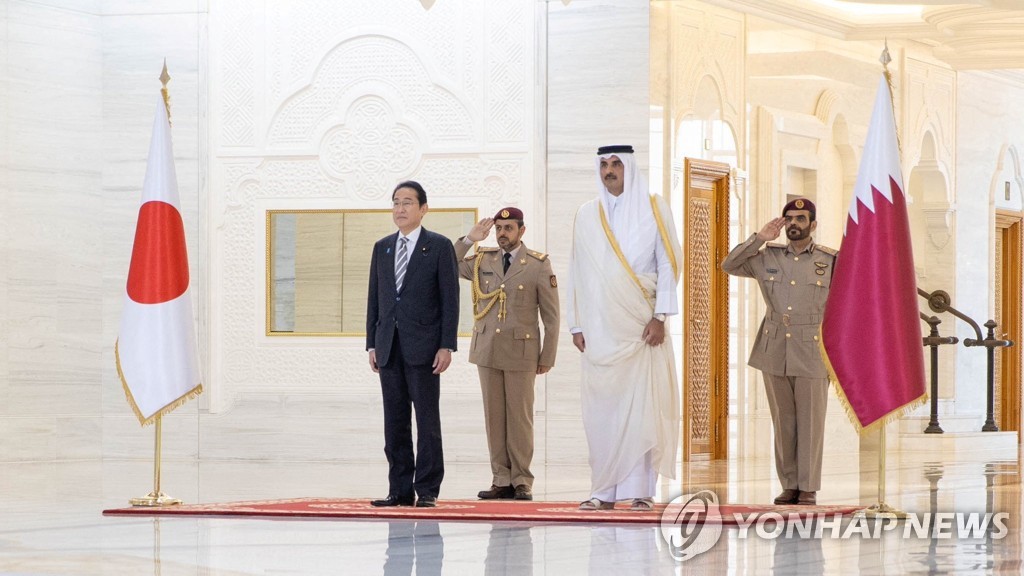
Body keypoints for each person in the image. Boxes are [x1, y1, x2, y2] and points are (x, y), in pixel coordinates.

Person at [566, 145, 681, 512]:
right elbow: (577, 271)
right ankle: (603, 490)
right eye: (603, 164)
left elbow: (668, 263)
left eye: (616, 163)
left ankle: (639, 491)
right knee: (602, 411)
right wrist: (576, 323)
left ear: (629, 167)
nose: (609, 170)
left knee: (642, 409)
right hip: (599, 329)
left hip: (641, 326)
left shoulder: (654, 207)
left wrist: (660, 316)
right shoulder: (586, 214)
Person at [722, 197, 837, 506]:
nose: (794, 225)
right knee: (783, 420)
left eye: (801, 219)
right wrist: (759, 238)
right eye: (789, 219)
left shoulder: (831, 260)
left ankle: (808, 486)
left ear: (813, 225)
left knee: (810, 421)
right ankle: (789, 484)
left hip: (812, 347)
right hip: (774, 346)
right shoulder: (766, 256)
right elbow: (728, 265)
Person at [454, 207, 560, 501]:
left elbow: (551, 317)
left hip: (522, 352)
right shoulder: (482, 260)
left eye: (509, 228)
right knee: (495, 418)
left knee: (520, 418)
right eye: (499, 228)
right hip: (487, 350)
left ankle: (522, 480)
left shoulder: (538, 264)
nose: (502, 233)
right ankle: (501, 479)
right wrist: (469, 238)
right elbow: (447, 264)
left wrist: (546, 356)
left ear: (521, 230)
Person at [367, 180, 460, 508]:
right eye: (395, 203)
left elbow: (451, 300)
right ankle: (399, 489)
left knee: (427, 421)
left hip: (425, 348)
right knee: (394, 421)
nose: (400, 209)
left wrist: (446, 344)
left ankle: (428, 489)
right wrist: (371, 344)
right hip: (388, 347)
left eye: (407, 203)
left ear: (423, 209)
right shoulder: (383, 247)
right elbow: (375, 300)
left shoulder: (438, 246)